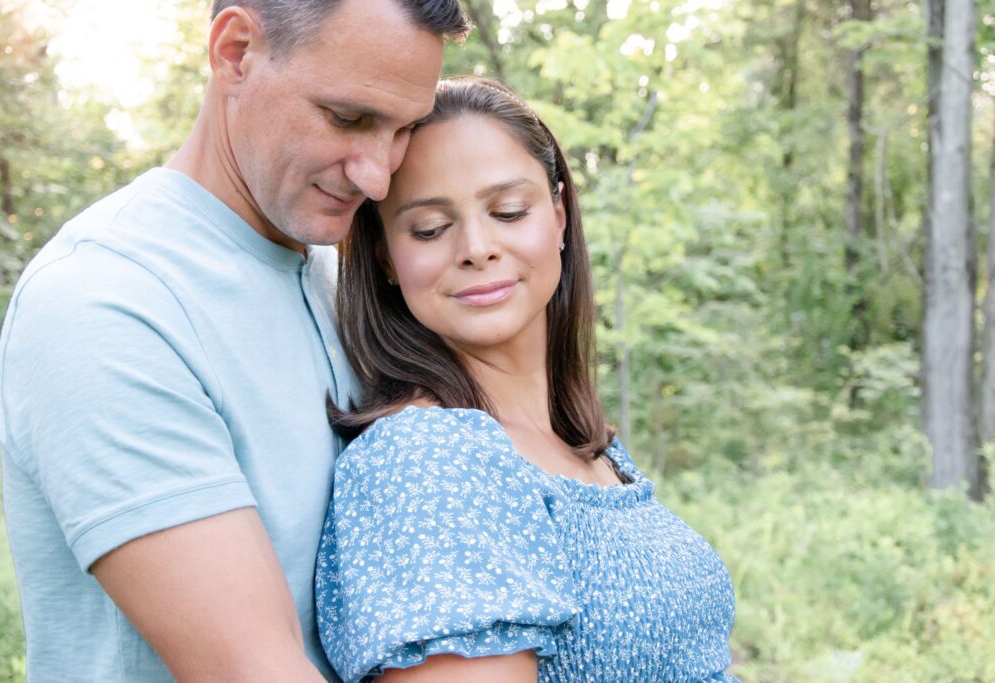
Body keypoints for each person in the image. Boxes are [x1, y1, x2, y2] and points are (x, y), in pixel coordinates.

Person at [0, 1, 469, 680]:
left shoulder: (345, 276)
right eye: (349, 118)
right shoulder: (107, 303)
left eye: (404, 129)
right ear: (236, 50)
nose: (379, 174)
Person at [315, 77, 741, 683]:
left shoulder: (585, 444)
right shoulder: (429, 460)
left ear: (560, 214)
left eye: (509, 211)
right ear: (384, 256)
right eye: (430, 228)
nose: (477, 247)